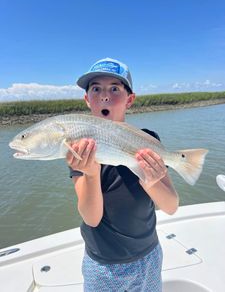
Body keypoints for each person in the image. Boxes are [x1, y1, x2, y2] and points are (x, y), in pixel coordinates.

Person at [66, 58, 179, 292]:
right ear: (87, 100)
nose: (104, 96)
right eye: (96, 88)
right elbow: (91, 218)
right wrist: (91, 174)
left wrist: (152, 181)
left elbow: (170, 206)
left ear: (130, 100)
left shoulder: (148, 140)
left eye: (114, 89)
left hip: (149, 255)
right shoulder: (79, 149)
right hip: (103, 264)